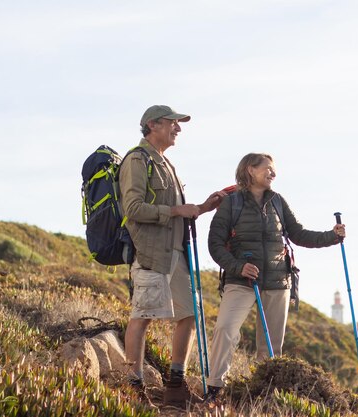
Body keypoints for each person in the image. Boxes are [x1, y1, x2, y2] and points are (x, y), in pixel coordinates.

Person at [204, 153, 346, 403]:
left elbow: (299, 234)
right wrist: (238, 267)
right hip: (241, 281)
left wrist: (332, 236)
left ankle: (262, 394)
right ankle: (215, 388)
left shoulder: (278, 201)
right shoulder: (232, 203)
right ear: (250, 170)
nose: (273, 174)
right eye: (268, 169)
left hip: (278, 281)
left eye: (273, 170)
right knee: (225, 329)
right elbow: (214, 244)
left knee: (270, 346)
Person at [119, 104, 225, 409]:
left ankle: (175, 387)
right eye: (173, 123)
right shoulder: (137, 160)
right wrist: (178, 210)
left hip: (176, 254)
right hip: (151, 253)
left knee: (189, 315)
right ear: (152, 125)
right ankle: (133, 388)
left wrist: (202, 208)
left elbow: (177, 212)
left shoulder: (167, 164)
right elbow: (133, 209)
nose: (178, 128)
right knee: (143, 317)